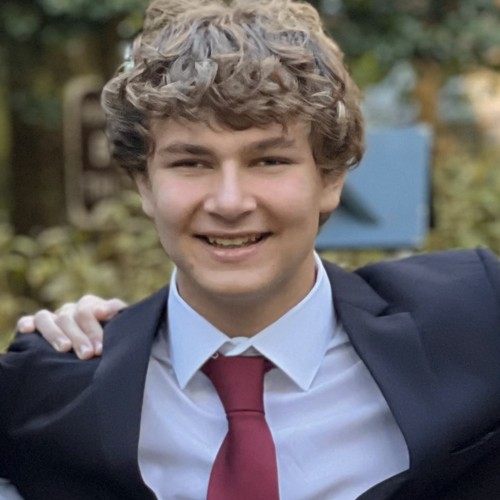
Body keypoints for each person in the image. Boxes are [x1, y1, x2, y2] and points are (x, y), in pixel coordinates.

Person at [2, 0, 500, 498]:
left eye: (269, 161)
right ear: (144, 185)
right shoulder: (46, 387)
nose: (230, 202)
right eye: (191, 163)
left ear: (330, 179)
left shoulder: (476, 321)